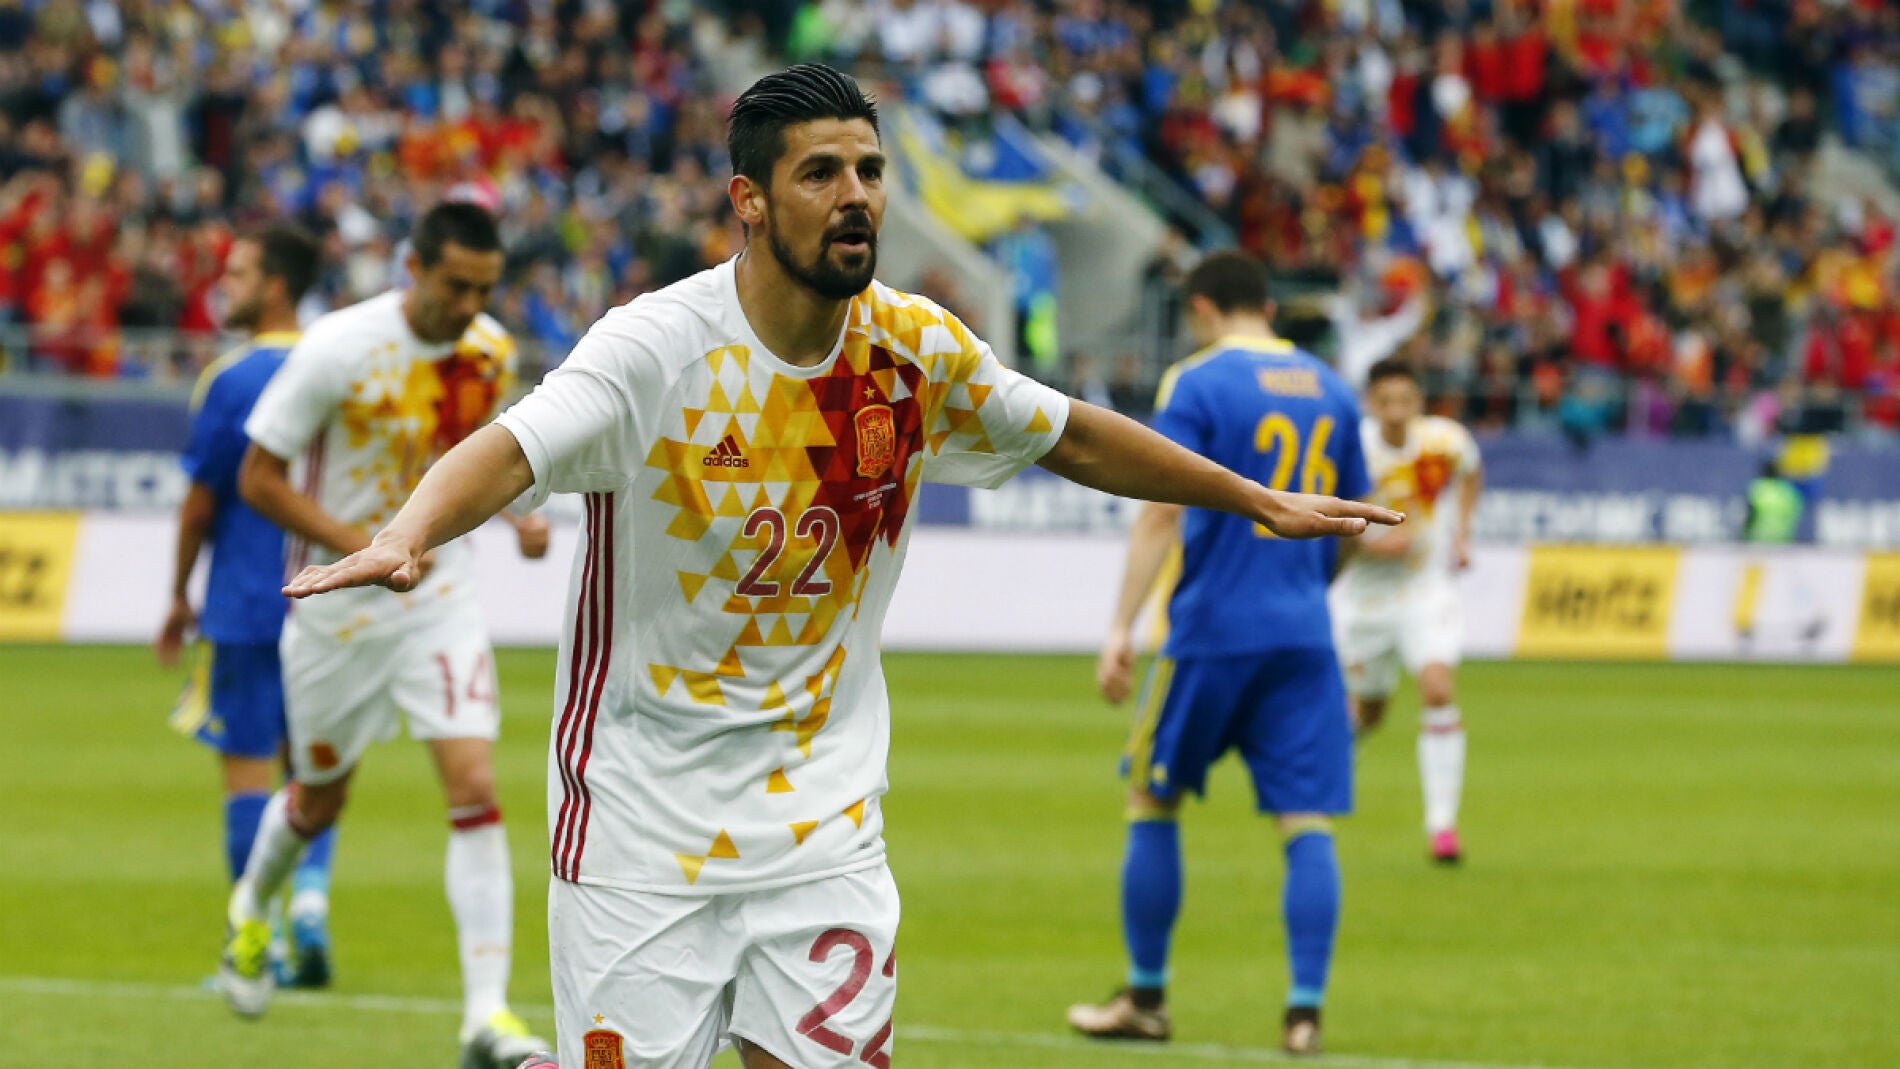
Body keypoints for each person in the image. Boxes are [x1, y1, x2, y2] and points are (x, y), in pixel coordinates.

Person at [281, 64, 1398, 1069]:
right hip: (639, 824)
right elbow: (516, 444)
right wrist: (408, 529)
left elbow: (1072, 432)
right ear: (750, 201)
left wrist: (1249, 498)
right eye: (821, 172)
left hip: (823, 824)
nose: (856, 192)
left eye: (868, 168)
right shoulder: (655, 347)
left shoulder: (916, 350)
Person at [217, 202, 553, 1069]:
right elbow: (258, 476)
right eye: (453, 286)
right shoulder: (337, 346)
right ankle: (250, 910)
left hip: (438, 599)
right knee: (321, 796)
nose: (467, 306)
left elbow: (468, 448)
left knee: (474, 783)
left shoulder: (486, 350)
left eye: (483, 290)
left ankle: (487, 1016)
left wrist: (520, 514)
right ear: (412, 266)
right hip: (336, 610)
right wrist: (362, 550)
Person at [1067, 250, 1372, 1056]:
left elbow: (1159, 509)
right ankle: (1304, 1012)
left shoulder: (1197, 382)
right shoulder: (1334, 389)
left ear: (1202, 307)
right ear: (1266, 304)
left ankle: (1146, 997)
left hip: (1208, 630)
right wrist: (1307, 583)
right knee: (1305, 821)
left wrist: (1120, 626)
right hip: (1303, 634)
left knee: (1151, 799)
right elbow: (1352, 524)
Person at [156, 223, 339, 988]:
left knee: (247, 774)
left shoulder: (230, 379)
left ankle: (252, 947)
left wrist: (176, 594)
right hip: (328, 602)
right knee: (316, 770)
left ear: (274, 284)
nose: (220, 285)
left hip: (244, 600)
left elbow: (200, 505)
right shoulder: (339, 365)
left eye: (236, 273)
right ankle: (311, 906)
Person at [1333, 358, 1483, 863]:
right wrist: (1370, 544)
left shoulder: (1445, 441)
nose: (1396, 412)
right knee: (1369, 711)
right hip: (1366, 600)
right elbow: (1328, 513)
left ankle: (1442, 826)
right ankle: (1328, 771)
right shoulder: (1353, 449)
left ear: (1420, 403)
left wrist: (1461, 532)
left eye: (1405, 401)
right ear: (1371, 405)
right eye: (1385, 402)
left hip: (1425, 588)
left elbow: (1471, 473)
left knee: (1438, 689)